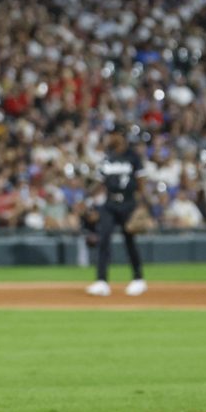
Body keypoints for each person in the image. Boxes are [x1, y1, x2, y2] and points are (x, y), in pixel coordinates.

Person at [86, 125, 148, 296]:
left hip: (128, 203)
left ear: (121, 136)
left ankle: (138, 279)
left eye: (113, 134)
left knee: (129, 241)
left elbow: (141, 181)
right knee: (103, 239)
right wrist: (87, 198)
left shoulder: (133, 157)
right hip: (110, 203)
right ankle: (101, 281)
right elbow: (99, 182)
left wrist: (142, 205)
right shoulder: (108, 157)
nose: (110, 138)